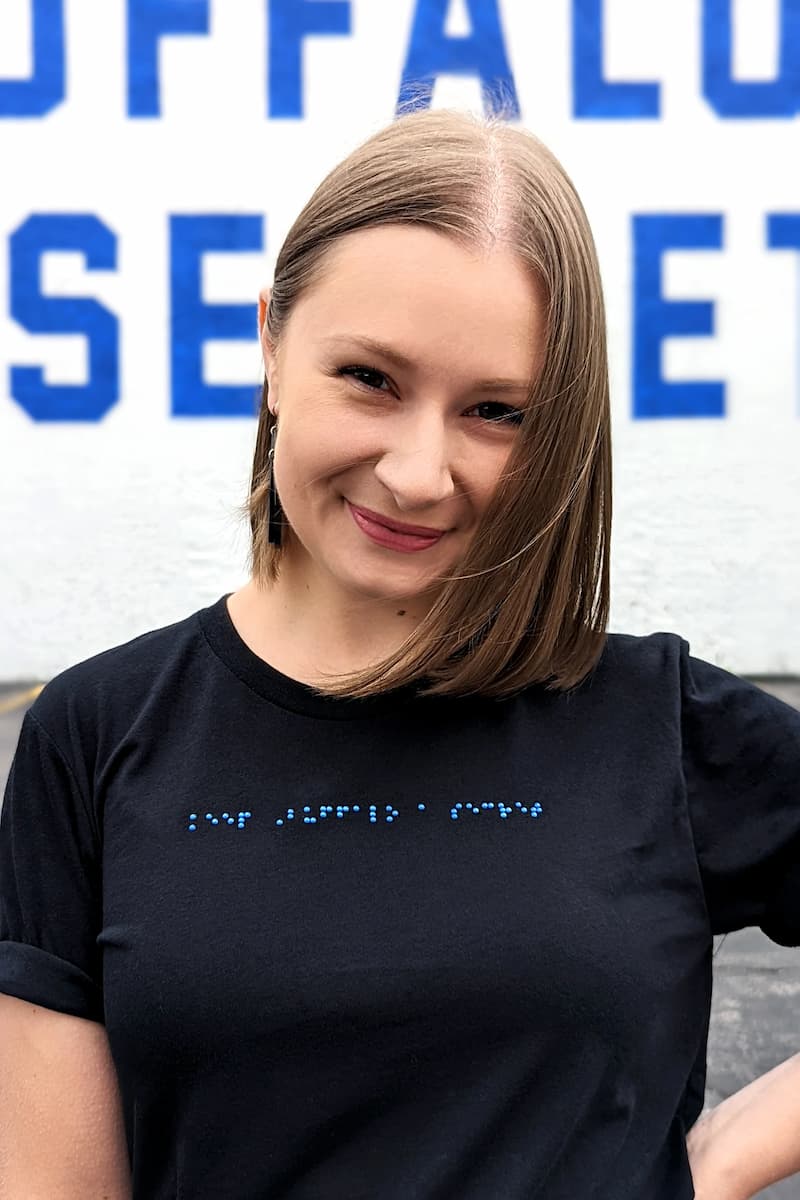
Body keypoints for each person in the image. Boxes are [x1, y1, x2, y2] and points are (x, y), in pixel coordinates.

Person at [0, 104, 798, 1200]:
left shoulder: (656, 723)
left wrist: (705, 1167)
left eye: (496, 410)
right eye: (370, 379)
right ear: (273, 345)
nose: (420, 472)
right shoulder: (93, 737)